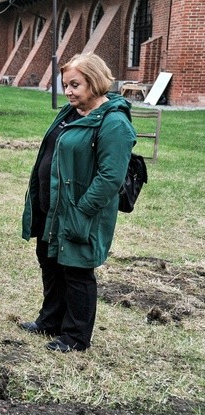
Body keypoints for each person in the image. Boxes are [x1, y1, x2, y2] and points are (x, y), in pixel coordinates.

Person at [20, 53, 135, 352]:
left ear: (94, 82)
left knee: (77, 270)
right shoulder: (71, 113)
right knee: (50, 262)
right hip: (53, 206)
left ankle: (75, 336)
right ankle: (50, 321)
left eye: (75, 84)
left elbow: (111, 177)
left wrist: (82, 210)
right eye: (65, 85)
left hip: (81, 210)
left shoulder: (114, 123)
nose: (68, 91)